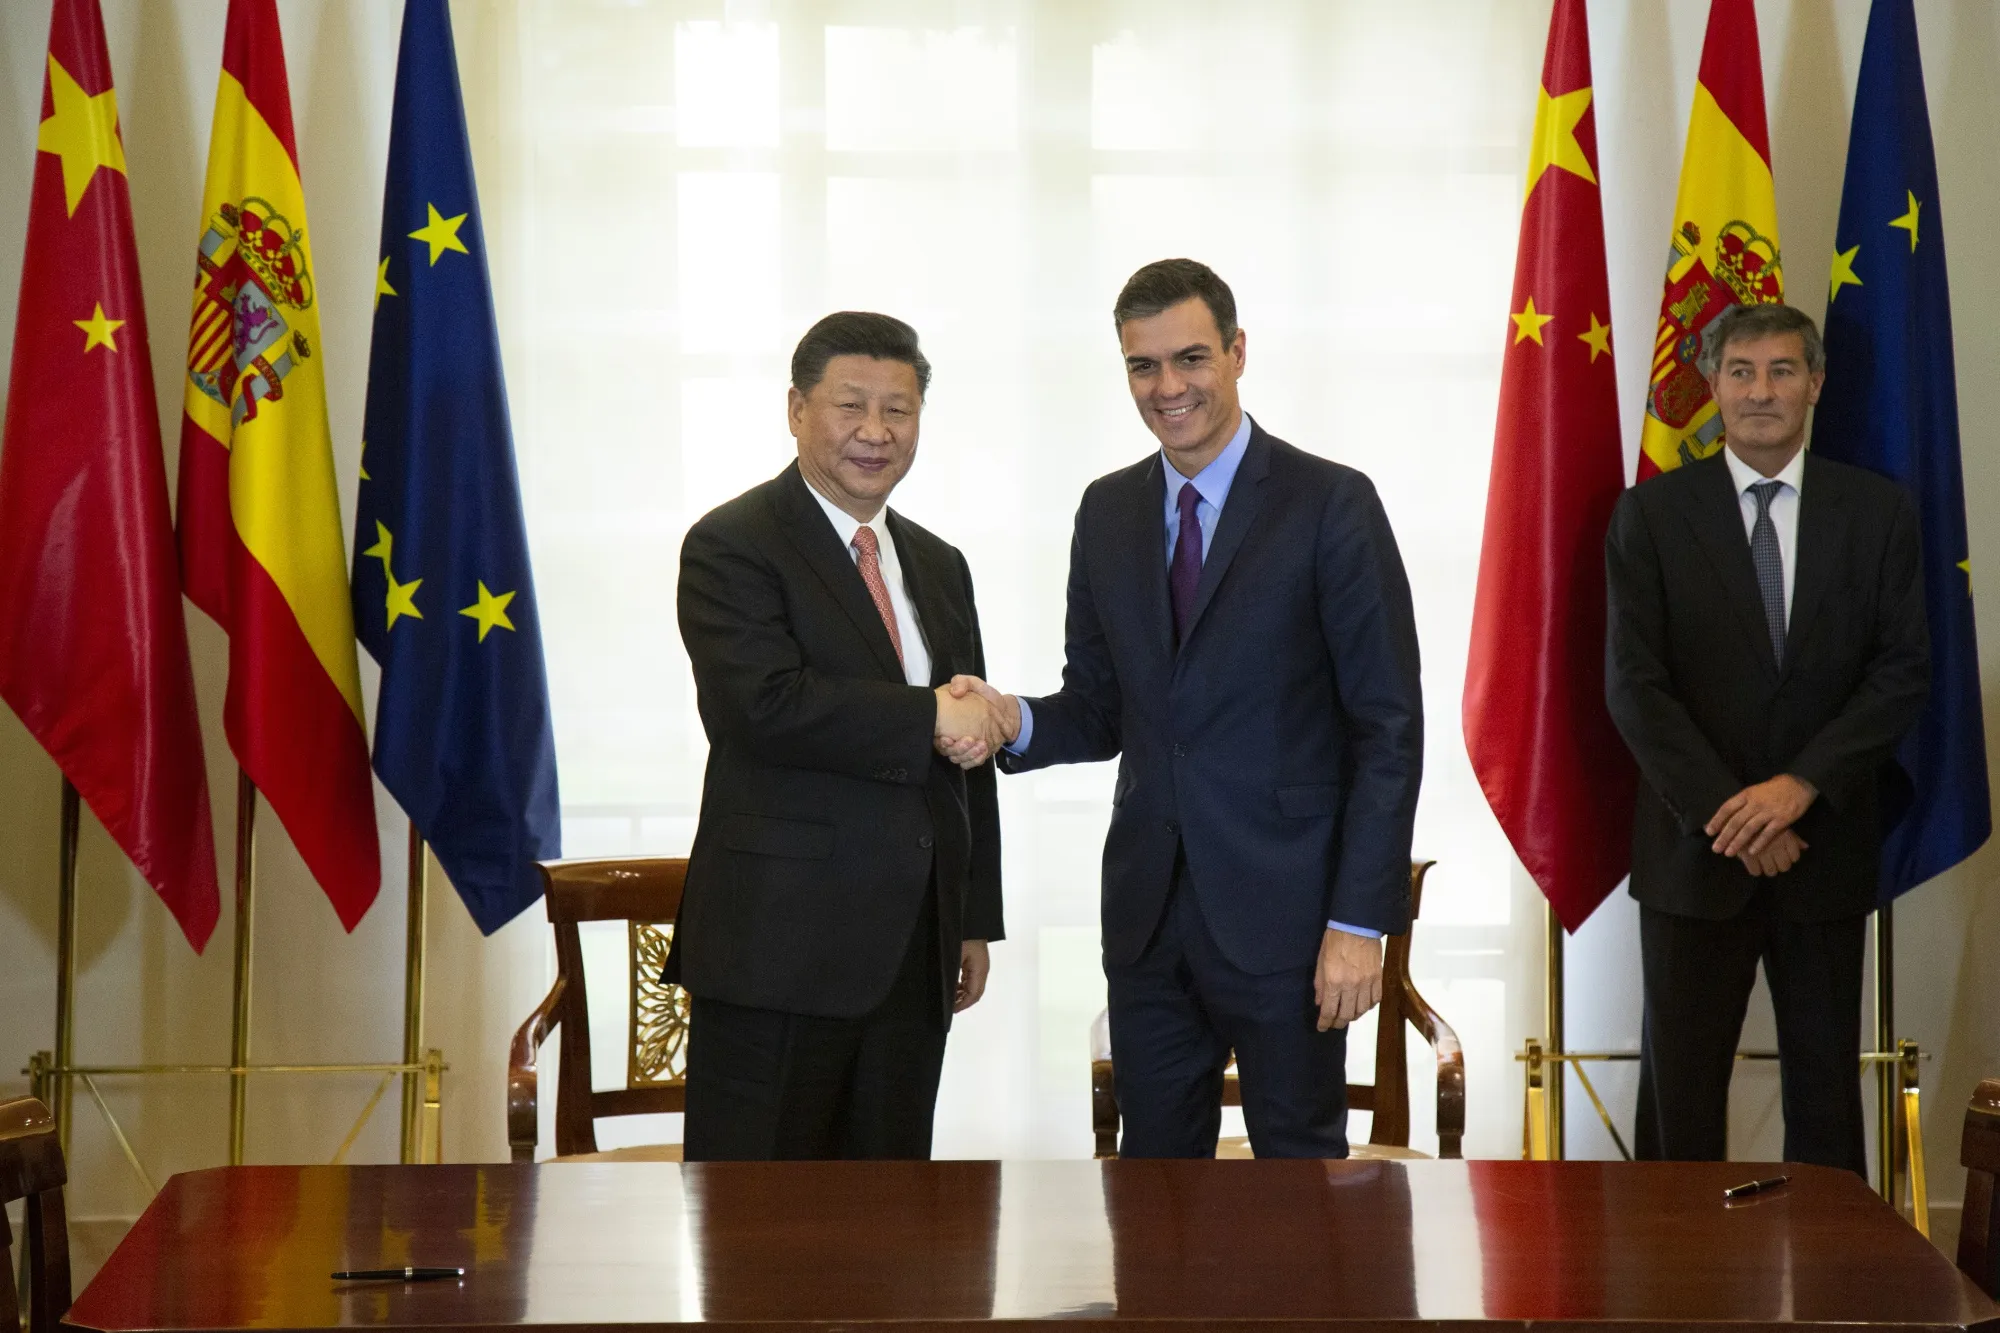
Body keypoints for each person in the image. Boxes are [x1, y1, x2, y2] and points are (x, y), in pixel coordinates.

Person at [939, 259, 1424, 1158]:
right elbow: (1101, 704)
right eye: (1143, 365)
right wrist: (1012, 718)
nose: (1168, 387)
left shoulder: (1331, 504)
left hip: (1293, 921)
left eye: (1191, 358)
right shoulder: (1108, 510)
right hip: (1149, 916)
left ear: (1238, 353)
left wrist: (1361, 924)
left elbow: (1388, 728)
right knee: (1153, 1191)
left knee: (1300, 1192)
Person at [669, 311, 1011, 1160]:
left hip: (911, 953)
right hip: (774, 953)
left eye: (898, 410)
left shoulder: (939, 563)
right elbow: (763, 705)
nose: (874, 431)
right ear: (796, 409)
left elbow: (970, 754)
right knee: (754, 1234)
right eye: (850, 405)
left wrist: (972, 915)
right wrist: (930, 713)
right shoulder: (732, 544)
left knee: (893, 1236)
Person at [1604, 301, 1929, 1174]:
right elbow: (1634, 687)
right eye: (1740, 372)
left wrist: (1796, 792)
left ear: (1815, 384)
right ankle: (1673, 1300)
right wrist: (1730, 812)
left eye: (1782, 371)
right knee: (1680, 1103)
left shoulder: (1879, 514)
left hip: (1823, 848)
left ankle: (1827, 1298)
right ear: (1711, 386)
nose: (1760, 391)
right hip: (1690, 854)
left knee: (1826, 1100)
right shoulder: (1650, 516)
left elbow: (1901, 674)